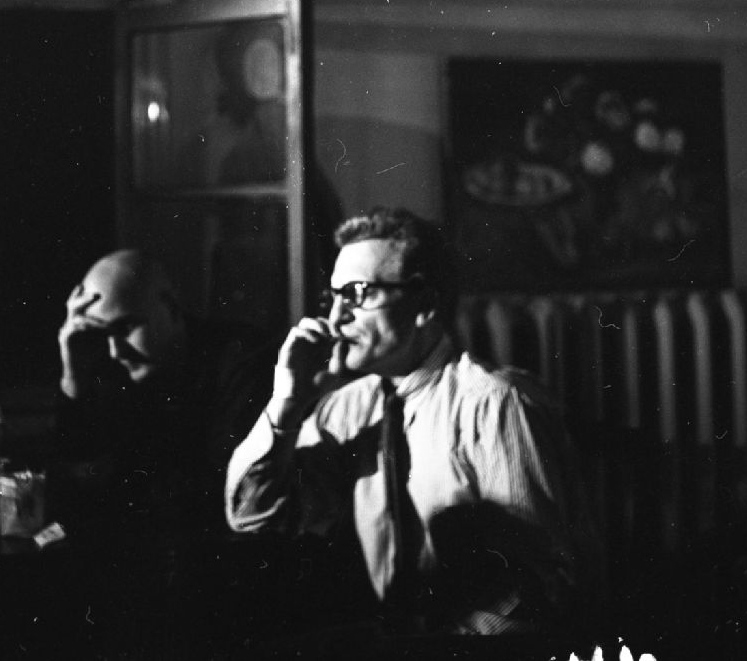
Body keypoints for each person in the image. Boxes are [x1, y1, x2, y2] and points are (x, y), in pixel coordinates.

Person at [226, 207, 603, 654]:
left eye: (359, 294)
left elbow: (538, 590)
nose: (337, 317)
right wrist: (286, 403)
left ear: (424, 305)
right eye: (335, 297)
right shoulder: (348, 408)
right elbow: (253, 515)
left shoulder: (495, 403)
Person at [48, 248, 282, 657]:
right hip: (151, 577)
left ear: (172, 308)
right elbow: (69, 493)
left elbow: (219, 492)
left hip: (233, 583)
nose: (115, 350)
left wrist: (119, 487)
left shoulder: (244, 358)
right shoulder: (107, 369)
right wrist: (72, 378)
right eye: (101, 334)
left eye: (126, 327)